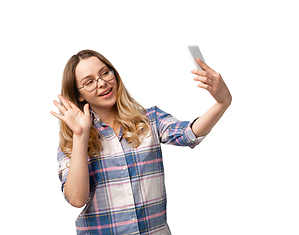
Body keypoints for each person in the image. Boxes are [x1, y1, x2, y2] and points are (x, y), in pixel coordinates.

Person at [51, 49, 232, 235]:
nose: (102, 82)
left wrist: (222, 103)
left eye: (105, 72)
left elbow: (188, 133)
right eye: (89, 82)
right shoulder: (73, 140)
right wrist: (81, 135)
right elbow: (76, 199)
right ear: (79, 95)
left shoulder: (150, 120)